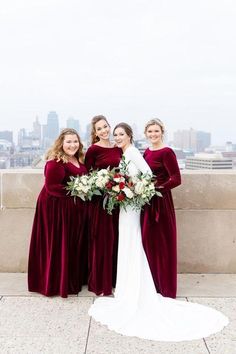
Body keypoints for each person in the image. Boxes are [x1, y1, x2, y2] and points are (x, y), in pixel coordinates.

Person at [88, 122, 228, 341]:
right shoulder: (126, 153)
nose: (116, 137)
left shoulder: (133, 152)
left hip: (132, 206)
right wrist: (119, 186)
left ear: (130, 135)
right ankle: (126, 287)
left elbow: (147, 177)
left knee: (132, 241)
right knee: (126, 241)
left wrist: (133, 190)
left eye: (121, 134)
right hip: (125, 206)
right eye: (115, 134)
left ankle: (135, 288)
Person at [28, 128, 88, 298]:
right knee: (59, 243)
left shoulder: (78, 158)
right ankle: (56, 282)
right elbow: (52, 187)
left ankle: (71, 278)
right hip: (56, 209)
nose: (72, 145)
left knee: (70, 244)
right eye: (68, 141)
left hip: (70, 208)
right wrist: (77, 190)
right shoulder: (55, 162)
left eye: (75, 141)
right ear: (61, 143)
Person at [141, 118, 181, 298]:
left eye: (156, 131)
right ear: (145, 134)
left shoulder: (167, 152)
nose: (153, 134)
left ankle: (166, 287)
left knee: (163, 243)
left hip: (161, 203)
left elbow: (176, 179)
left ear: (162, 132)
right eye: (150, 132)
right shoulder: (147, 152)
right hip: (146, 203)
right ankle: (153, 285)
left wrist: (156, 189)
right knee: (149, 242)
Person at [85, 115, 122, 296]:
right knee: (102, 239)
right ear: (95, 132)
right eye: (99, 129)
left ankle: (115, 279)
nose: (104, 131)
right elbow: (87, 175)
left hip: (118, 201)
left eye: (105, 127)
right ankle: (101, 281)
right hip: (99, 203)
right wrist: (101, 184)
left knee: (117, 238)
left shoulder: (118, 148)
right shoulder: (93, 150)